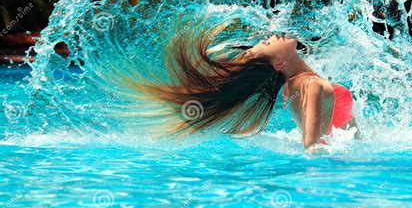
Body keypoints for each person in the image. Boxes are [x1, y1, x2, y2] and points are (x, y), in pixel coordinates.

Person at [129, 24, 355, 149]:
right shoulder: (310, 85)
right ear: (279, 64)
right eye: (268, 43)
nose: (273, 35)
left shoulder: (292, 88)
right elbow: (312, 148)